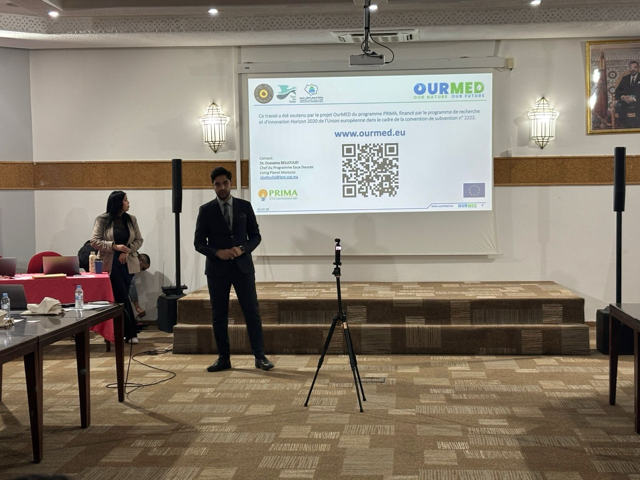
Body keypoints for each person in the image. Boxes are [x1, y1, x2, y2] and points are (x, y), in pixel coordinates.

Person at [194, 167, 273, 372]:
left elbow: (255, 236)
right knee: (219, 315)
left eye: (225, 183)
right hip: (217, 270)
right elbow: (199, 243)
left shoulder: (244, 207)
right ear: (213, 186)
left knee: (252, 312)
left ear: (231, 183)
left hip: (242, 267)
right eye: (217, 184)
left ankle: (260, 356)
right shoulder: (206, 210)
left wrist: (242, 249)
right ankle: (224, 358)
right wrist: (217, 252)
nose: (221, 187)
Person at [91, 190, 144, 344]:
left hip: (128, 263)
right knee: (121, 297)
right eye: (125, 200)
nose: (128, 203)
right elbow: (94, 241)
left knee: (122, 297)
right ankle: (130, 332)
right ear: (118, 203)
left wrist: (126, 250)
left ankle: (120, 332)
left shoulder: (131, 219)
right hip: (110, 263)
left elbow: (139, 240)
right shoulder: (102, 220)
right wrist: (114, 246)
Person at [614, 60, 640, 129]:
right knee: (620, 105)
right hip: (626, 101)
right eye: (631, 67)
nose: (632, 69)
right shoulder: (625, 78)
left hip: (638, 100)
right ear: (629, 69)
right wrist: (623, 97)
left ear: (638, 68)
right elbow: (618, 91)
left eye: (635, 67)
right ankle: (624, 126)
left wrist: (634, 99)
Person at [129, 253, 150, 319]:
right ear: (141, 260)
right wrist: (137, 307)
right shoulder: (130, 261)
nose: (140, 271)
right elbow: (131, 284)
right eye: (143, 268)